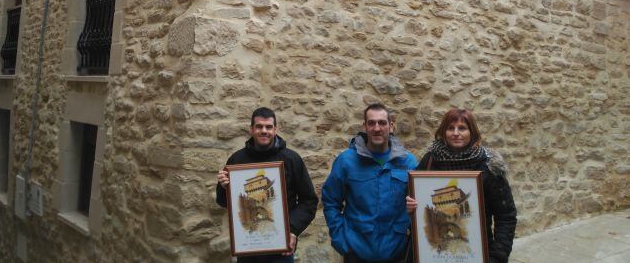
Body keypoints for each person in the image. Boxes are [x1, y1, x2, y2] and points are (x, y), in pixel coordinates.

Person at [216, 107, 318, 263]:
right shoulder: (237, 160)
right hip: (248, 248)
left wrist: (292, 230)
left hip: (281, 249)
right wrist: (223, 187)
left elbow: (309, 201)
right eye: (259, 126)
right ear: (251, 129)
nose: (264, 131)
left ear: (275, 130)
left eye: (268, 127)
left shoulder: (291, 159)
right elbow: (224, 202)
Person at [416, 108, 517, 263]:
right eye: (450, 128)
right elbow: (415, 197)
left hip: (480, 251)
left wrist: (497, 257)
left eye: (462, 128)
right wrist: (410, 204)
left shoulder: (489, 166)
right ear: (443, 132)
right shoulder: (430, 160)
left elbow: (506, 216)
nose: (456, 133)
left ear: (472, 132)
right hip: (436, 253)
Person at [322, 103, 418, 263]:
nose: (377, 128)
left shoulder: (408, 162)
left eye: (382, 122)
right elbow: (331, 201)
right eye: (371, 123)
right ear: (364, 126)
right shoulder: (346, 161)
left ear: (391, 126)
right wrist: (342, 240)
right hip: (356, 252)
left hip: (397, 252)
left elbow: (417, 204)